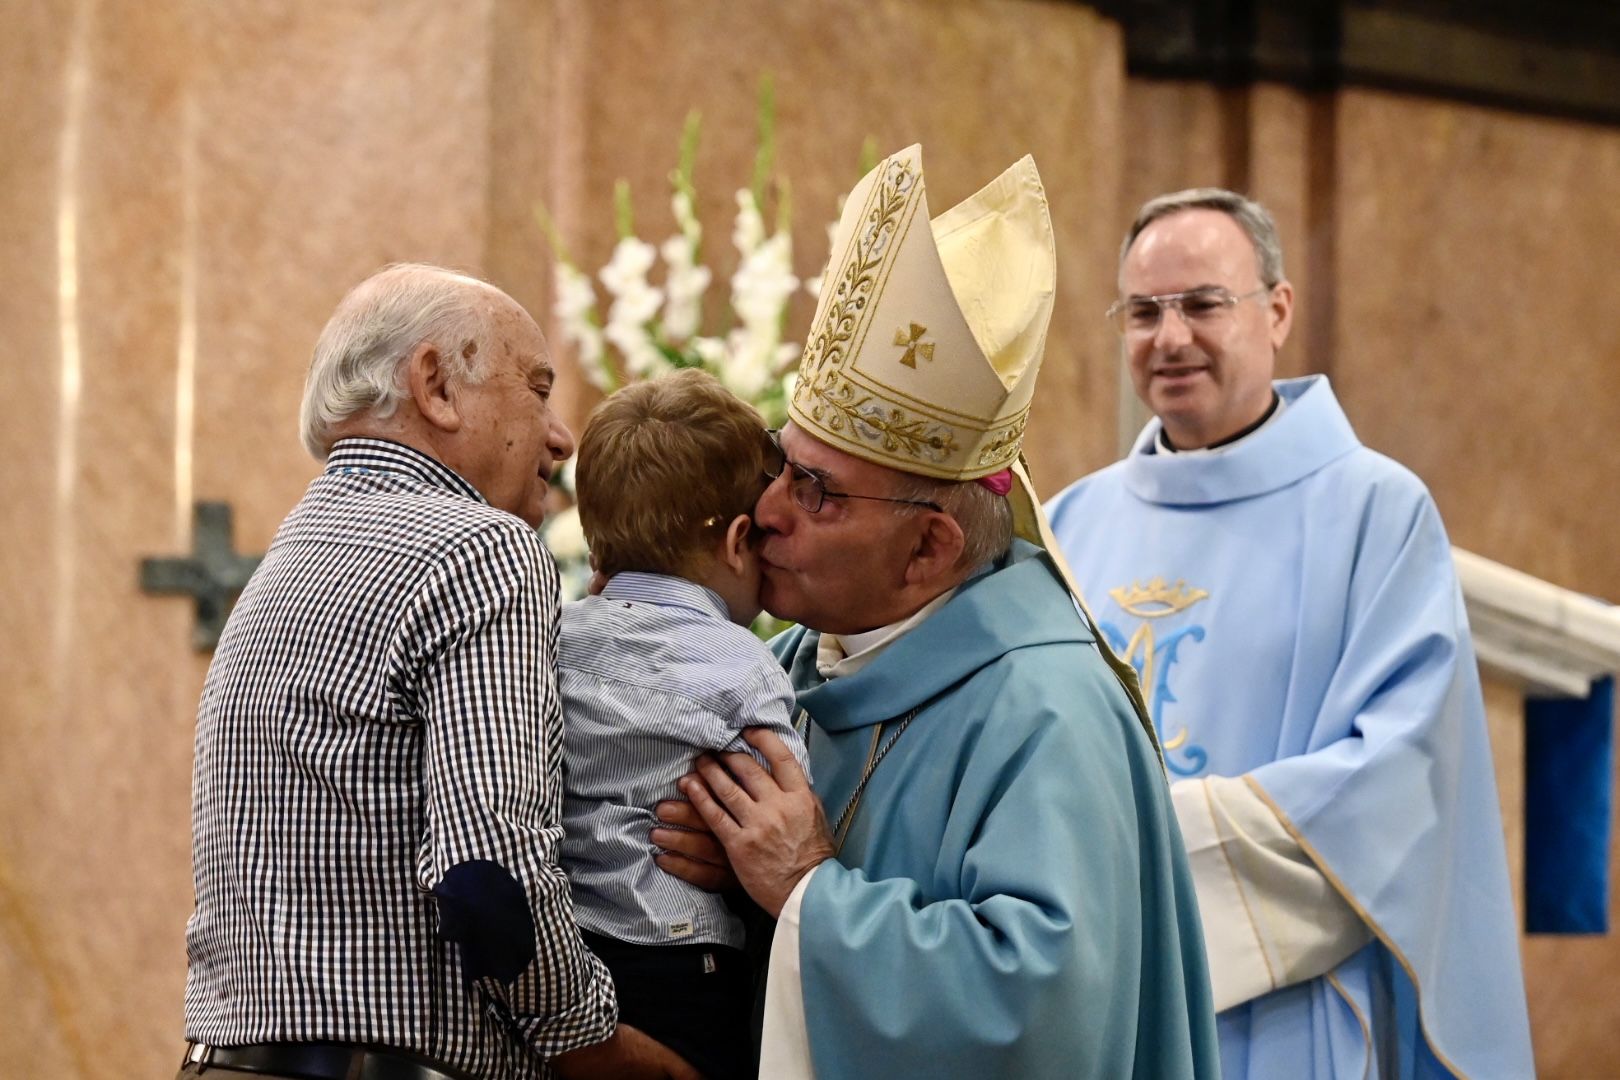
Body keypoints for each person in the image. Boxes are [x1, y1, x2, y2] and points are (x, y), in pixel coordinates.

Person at [657, 146, 1221, 1078]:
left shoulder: (1046, 710)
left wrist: (805, 892)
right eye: (779, 463)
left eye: (818, 492)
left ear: (930, 550)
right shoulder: (801, 662)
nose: (765, 513)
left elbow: (1038, 1014)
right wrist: (730, 888)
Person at [1045, 189, 1534, 1078]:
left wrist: (1149, 851)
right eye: (1143, 311)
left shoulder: (1374, 512)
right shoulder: (1070, 525)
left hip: (1284, 1003)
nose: (1170, 337)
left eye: (1202, 303)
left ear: (1277, 310)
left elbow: (1403, 772)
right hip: (1097, 996)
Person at [180, 264, 697, 1080]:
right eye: (536, 388)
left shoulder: (289, 558)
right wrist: (601, 1051)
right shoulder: (478, 548)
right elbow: (487, 875)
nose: (562, 438)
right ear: (435, 385)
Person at [556, 369, 810, 1080]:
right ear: (738, 541)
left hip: (567, 961)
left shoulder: (546, 638)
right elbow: (784, 804)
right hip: (684, 970)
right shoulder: (746, 665)